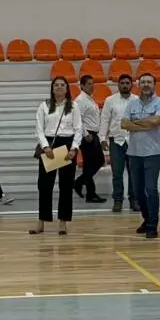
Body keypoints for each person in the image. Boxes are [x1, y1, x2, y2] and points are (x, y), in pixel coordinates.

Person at [31, 76, 82, 236]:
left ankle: (63, 222)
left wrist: (74, 149)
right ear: (52, 89)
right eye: (56, 85)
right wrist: (45, 146)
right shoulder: (44, 106)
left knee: (66, 186)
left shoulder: (73, 106)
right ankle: (41, 221)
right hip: (49, 145)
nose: (59, 87)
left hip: (67, 145)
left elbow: (78, 129)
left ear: (67, 89)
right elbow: (39, 128)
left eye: (62, 85)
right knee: (44, 185)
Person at [123, 73, 160, 238]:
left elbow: (156, 122)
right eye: (143, 82)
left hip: (152, 152)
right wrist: (146, 122)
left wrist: (134, 123)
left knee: (151, 188)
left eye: (149, 82)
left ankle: (152, 225)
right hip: (133, 153)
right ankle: (147, 219)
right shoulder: (132, 103)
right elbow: (123, 124)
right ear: (138, 85)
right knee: (137, 191)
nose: (146, 84)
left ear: (154, 84)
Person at [100, 74, 135, 212]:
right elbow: (104, 119)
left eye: (127, 83)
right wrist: (102, 138)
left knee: (134, 173)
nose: (125, 85)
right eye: (122, 83)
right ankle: (118, 200)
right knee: (117, 173)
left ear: (131, 85)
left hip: (133, 140)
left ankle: (134, 200)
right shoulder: (110, 100)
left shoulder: (137, 100)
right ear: (118, 85)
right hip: (116, 140)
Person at [73, 75, 107, 203]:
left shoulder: (89, 98)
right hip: (87, 135)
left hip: (93, 134)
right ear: (82, 86)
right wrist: (85, 133)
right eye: (89, 84)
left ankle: (90, 193)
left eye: (93, 83)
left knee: (90, 164)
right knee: (97, 161)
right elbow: (77, 119)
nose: (92, 86)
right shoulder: (80, 100)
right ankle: (78, 183)